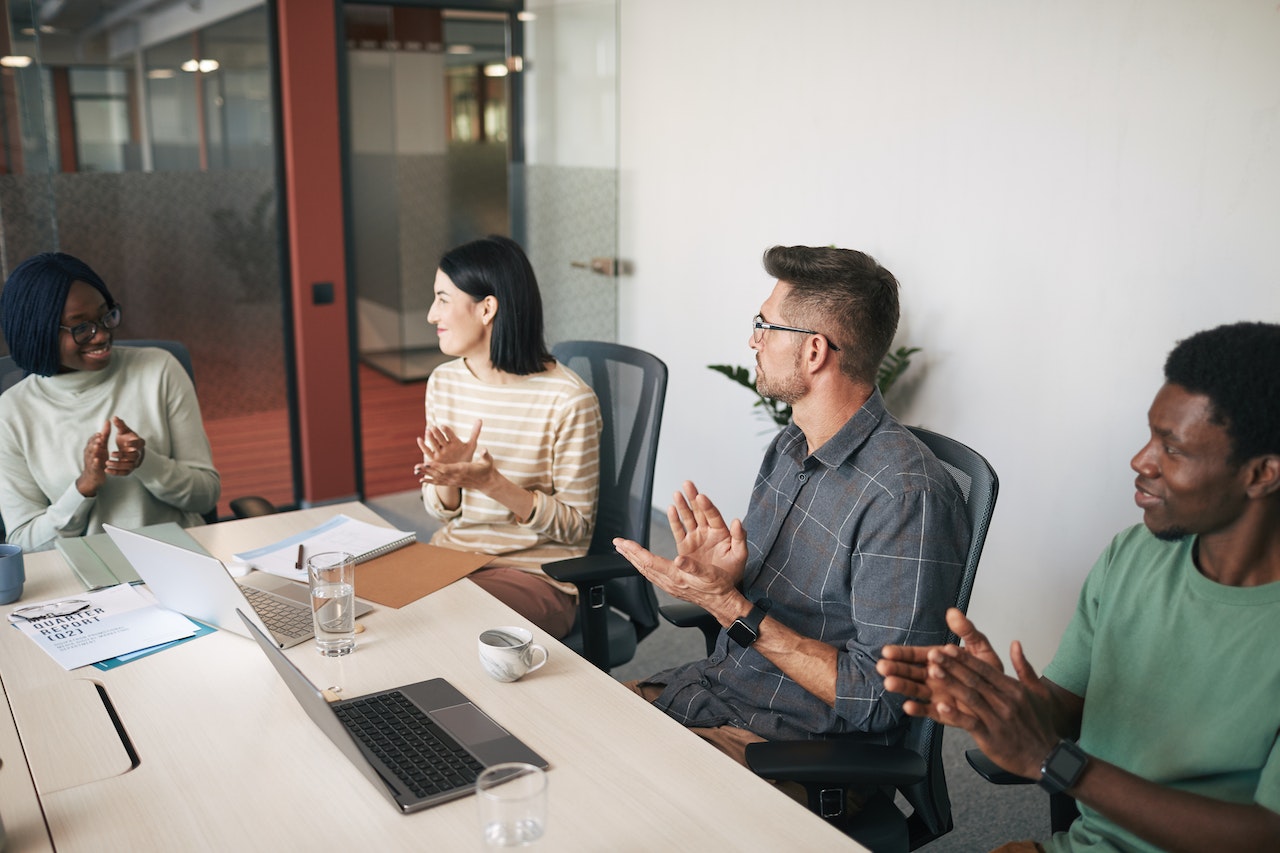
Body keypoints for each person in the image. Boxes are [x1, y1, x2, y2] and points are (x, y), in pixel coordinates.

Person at [878, 321, 1280, 853]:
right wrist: (1003, 705)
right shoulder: (1133, 557)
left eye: (1173, 449)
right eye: (1150, 435)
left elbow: (1266, 835)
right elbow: (1065, 707)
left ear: (1261, 474)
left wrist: (1054, 761)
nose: (1142, 462)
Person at [612, 244, 970, 767]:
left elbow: (878, 698)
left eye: (766, 324)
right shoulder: (791, 445)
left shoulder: (905, 497)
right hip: (714, 694)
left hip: (789, 742)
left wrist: (731, 607)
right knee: (560, 732)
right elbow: (766, 611)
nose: (753, 339)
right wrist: (723, 581)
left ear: (814, 351)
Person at [414, 235, 601, 639]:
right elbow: (440, 511)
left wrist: (492, 484)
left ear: (487, 308)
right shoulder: (444, 383)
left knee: (435, 626)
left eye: (443, 299)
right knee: (368, 603)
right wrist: (449, 483)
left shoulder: (568, 400)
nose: (432, 314)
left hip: (534, 576)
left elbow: (576, 527)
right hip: (452, 560)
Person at [0, 252, 220, 552]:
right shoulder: (11, 413)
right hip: (77, 580)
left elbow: (206, 496)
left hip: (179, 559)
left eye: (106, 316)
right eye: (80, 327)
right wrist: (83, 488)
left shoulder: (159, 369)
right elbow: (24, 543)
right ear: (37, 332)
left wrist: (147, 463)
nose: (102, 334)